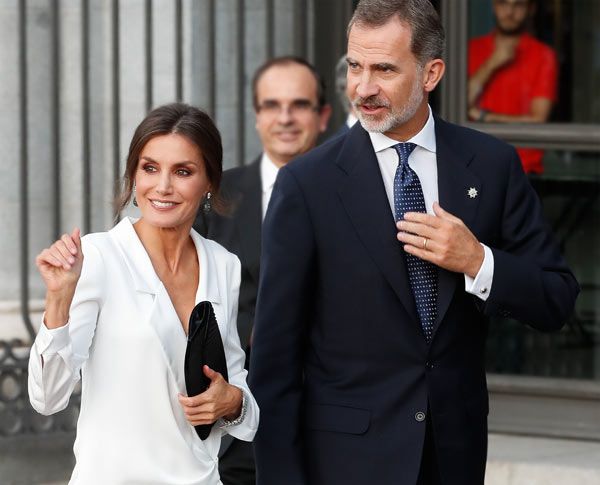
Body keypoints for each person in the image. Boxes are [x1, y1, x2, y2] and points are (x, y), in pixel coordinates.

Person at [249, 1, 578, 484]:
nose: (363, 88)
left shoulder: (491, 166)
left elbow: (557, 298)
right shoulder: (307, 185)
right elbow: (274, 364)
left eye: (384, 69)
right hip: (346, 463)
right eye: (355, 67)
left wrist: (478, 261)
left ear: (431, 73)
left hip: (453, 457)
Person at [28, 103, 259, 485]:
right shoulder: (99, 257)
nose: (163, 186)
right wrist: (58, 298)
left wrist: (232, 401)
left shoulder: (223, 264)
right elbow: (46, 397)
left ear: (209, 184)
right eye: (150, 168)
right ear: (134, 176)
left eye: (183, 171)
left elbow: (238, 391)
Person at [194, 56, 331, 485]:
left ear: (323, 116)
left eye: (299, 105)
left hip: (331, 422)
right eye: (271, 105)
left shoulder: (358, 194)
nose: (285, 118)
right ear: (256, 117)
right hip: (233, 424)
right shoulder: (217, 196)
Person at [468, 0, 558, 174]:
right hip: (475, 163)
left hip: (524, 169)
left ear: (530, 9)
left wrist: (485, 118)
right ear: (494, 6)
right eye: (503, 3)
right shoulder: (471, 49)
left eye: (519, 5)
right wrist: (492, 63)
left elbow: (538, 119)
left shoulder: (543, 55)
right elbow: (460, 103)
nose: (509, 12)